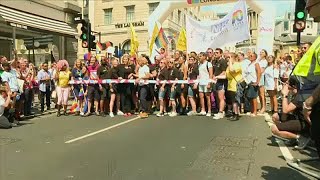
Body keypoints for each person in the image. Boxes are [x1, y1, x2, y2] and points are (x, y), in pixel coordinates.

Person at [271, 76, 310, 148]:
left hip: (304, 122)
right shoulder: (293, 94)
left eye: (287, 83)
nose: (285, 85)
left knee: (274, 128)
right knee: (275, 116)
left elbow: (285, 110)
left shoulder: (300, 96)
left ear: (294, 86)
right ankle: (292, 138)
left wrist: (285, 95)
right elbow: (284, 114)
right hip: (297, 118)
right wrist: (283, 120)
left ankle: (300, 137)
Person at [226, 53, 242, 121]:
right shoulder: (229, 65)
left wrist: (230, 62)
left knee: (235, 101)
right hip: (230, 85)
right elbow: (226, 75)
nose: (228, 59)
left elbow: (232, 70)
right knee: (232, 100)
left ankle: (236, 114)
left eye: (229, 57)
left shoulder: (237, 64)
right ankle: (234, 113)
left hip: (235, 85)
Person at [213, 48, 228, 119]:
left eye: (217, 53)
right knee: (218, 97)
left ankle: (221, 112)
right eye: (215, 52)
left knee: (221, 97)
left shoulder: (223, 61)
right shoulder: (216, 61)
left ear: (221, 54)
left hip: (221, 82)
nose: (215, 54)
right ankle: (220, 110)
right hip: (216, 81)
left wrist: (217, 77)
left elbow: (224, 72)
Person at [198, 52, 213, 117]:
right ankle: (203, 110)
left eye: (200, 56)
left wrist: (209, 83)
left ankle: (209, 111)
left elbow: (211, 74)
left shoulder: (208, 64)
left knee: (207, 97)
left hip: (206, 83)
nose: (199, 57)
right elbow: (199, 74)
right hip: (201, 83)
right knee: (201, 97)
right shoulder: (199, 64)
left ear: (204, 56)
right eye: (199, 56)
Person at [257, 49, 268, 114]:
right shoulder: (259, 60)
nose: (261, 53)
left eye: (262, 52)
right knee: (259, 94)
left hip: (261, 77)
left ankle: (263, 107)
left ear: (265, 54)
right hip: (258, 77)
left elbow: (261, 70)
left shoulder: (264, 61)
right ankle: (261, 107)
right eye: (260, 52)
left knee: (262, 94)